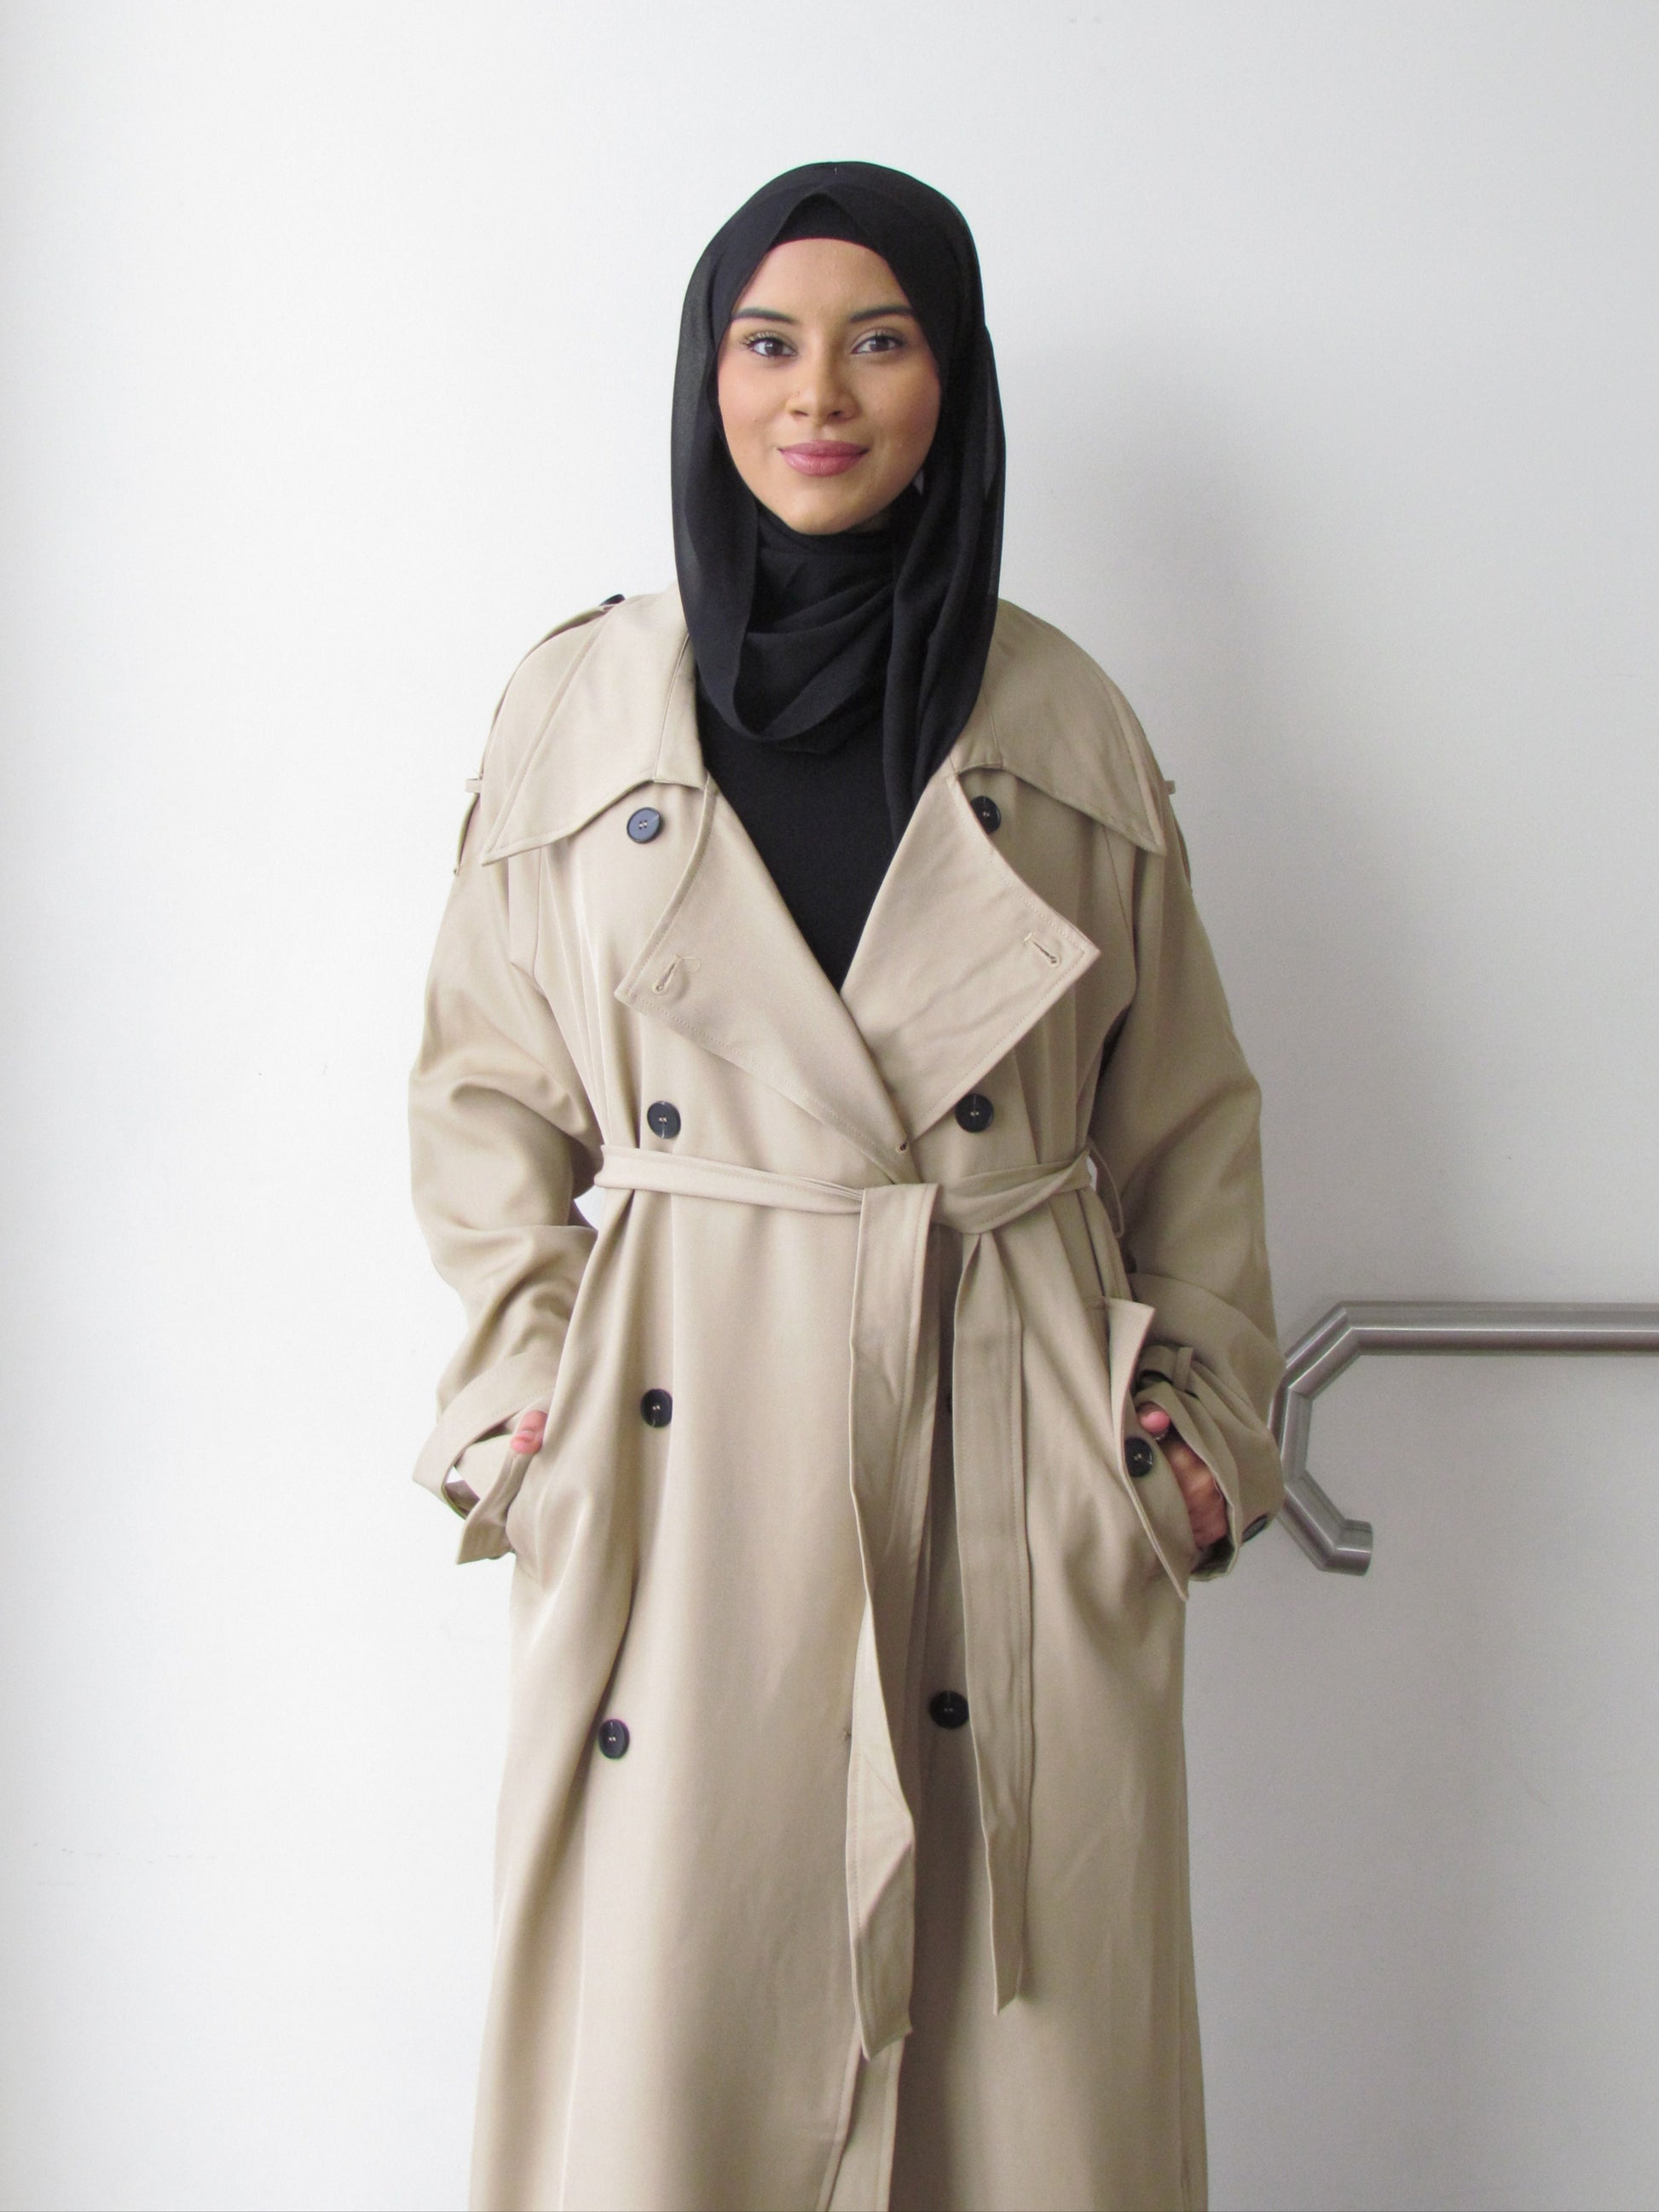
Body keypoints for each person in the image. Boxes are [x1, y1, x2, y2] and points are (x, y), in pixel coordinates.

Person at [409, 159, 1284, 2212]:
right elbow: (481, 1095)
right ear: (706, 371)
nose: (819, 394)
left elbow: (1188, 1120)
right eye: (769, 341)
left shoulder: (1059, 714)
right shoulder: (579, 707)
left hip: (1006, 1463)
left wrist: (1183, 1439)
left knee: (1022, 2095)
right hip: (684, 1468)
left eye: (880, 341)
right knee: (674, 2075)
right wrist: (525, 1408)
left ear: (950, 380)